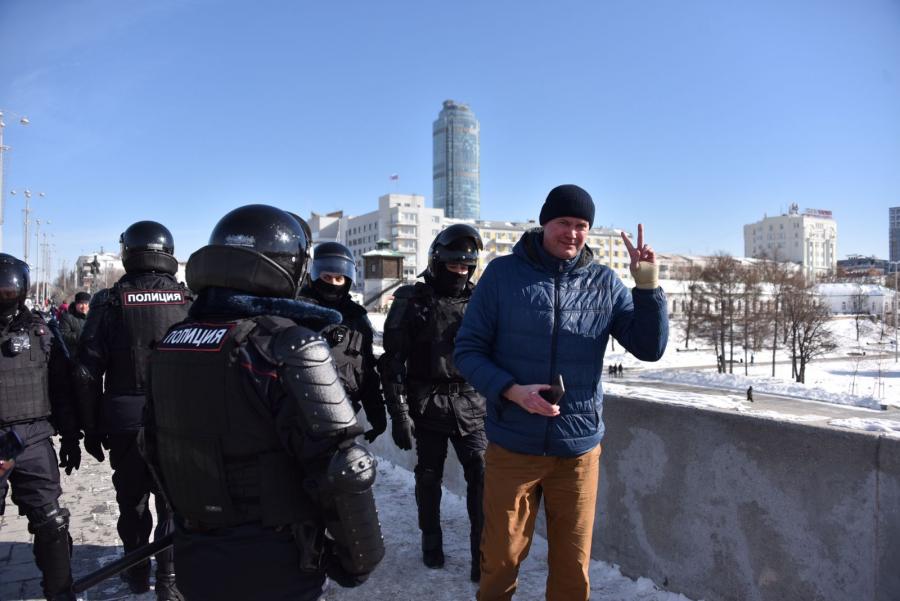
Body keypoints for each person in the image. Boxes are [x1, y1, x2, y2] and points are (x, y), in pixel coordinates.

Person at [144, 204, 384, 601]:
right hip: (273, 559)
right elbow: (345, 467)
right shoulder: (289, 344)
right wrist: (360, 559)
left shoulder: (175, 338)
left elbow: (152, 443)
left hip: (195, 551)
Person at [454, 184, 669, 601]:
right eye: (563, 223)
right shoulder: (501, 275)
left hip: (577, 452)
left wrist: (646, 287)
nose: (572, 233)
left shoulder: (604, 283)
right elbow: (467, 350)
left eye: (581, 225)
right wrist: (512, 391)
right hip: (513, 446)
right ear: (544, 223)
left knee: (572, 568)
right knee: (499, 560)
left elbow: (649, 348)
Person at [74, 221, 191, 599]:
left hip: (124, 420)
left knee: (132, 502)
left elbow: (86, 373)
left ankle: (137, 572)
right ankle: (170, 582)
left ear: (128, 252)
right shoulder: (189, 301)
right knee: (173, 504)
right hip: (179, 420)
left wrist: (88, 429)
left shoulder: (108, 302)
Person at [380, 224, 487, 581]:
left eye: (466, 265)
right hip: (426, 402)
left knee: (483, 477)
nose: (461, 270)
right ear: (438, 261)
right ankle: (431, 540)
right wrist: (398, 414)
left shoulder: (481, 300)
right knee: (428, 477)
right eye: (454, 264)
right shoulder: (413, 300)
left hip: (472, 403)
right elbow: (392, 361)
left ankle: (481, 552)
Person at [0, 253, 81, 601]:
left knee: (52, 522)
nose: (4, 294)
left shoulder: (41, 332)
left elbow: (61, 388)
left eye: (8, 289)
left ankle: (60, 592)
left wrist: (72, 437)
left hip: (32, 438)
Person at [299, 242, 387, 443]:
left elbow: (365, 371)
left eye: (338, 278)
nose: (332, 283)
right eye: (326, 277)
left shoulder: (357, 318)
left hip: (344, 415)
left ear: (347, 280)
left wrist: (377, 416)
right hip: (301, 415)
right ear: (314, 276)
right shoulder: (298, 311)